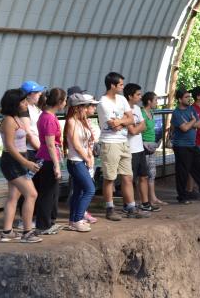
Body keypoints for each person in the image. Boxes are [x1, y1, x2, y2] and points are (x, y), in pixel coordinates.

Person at [0, 89, 42, 243]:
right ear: (14, 104)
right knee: (32, 194)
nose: (25, 103)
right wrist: (26, 163)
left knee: (13, 196)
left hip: (19, 159)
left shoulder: (17, 118)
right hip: (12, 161)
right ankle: (27, 232)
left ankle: (7, 231)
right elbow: (10, 146)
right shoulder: (9, 120)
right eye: (23, 101)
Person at [96, 72, 138, 221]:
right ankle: (109, 208)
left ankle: (131, 206)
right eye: (120, 84)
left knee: (128, 176)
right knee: (110, 177)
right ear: (112, 85)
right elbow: (113, 126)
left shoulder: (121, 99)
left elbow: (131, 119)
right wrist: (123, 121)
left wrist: (120, 121)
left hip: (123, 141)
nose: (122, 87)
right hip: (110, 142)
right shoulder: (103, 103)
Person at [64, 92, 99, 232]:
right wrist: (87, 158)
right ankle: (78, 219)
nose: (87, 109)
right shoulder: (72, 122)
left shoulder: (81, 121)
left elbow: (87, 142)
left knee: (78, 191)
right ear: (77, 107)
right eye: (84, 106)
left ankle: (73, 221)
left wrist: (89, 155)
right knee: (90, 189)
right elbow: (76, 145)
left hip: (82, 161)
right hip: (75, 161)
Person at [34, 88, 66, 235]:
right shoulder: (49, 118)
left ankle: (48, 221)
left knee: (50, 192)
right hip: (48, 159)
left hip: (45, 157)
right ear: (59, 102)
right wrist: (57, 165)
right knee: (47, 193)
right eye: (64, 101)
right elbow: (50, 144)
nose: (65, 103)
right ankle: (43, 225)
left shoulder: (45, 116)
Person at [124, 83, 160, 214]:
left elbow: (143, 126)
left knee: (144, 176)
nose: (140, 97)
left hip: (139, 148)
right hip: (130, 149)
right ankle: (128, 204)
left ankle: (145, 203)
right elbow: (133, 130)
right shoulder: (125, 109)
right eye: (138, 94)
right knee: (129, 179)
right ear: (130, 96)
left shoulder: (138, 109)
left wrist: (137, 127)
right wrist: (138, 127)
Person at [140, 91, 168, 206]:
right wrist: (144, 144)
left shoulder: (151, 112)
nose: (157, 102)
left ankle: (153, 198)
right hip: (144, 147)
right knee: (144, 174)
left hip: (151, 146)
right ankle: (146, 200)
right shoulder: (142, 113)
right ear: (149, 101)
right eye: (155, 100)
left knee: (152, 173)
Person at [20, 81, 46, 161]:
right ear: (28, 95)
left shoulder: (34, 107)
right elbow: (27, 133)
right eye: (37, 92)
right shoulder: (24, 109)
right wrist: (42, 150)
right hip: (30, 150)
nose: (40, 93)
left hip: (37, 149)